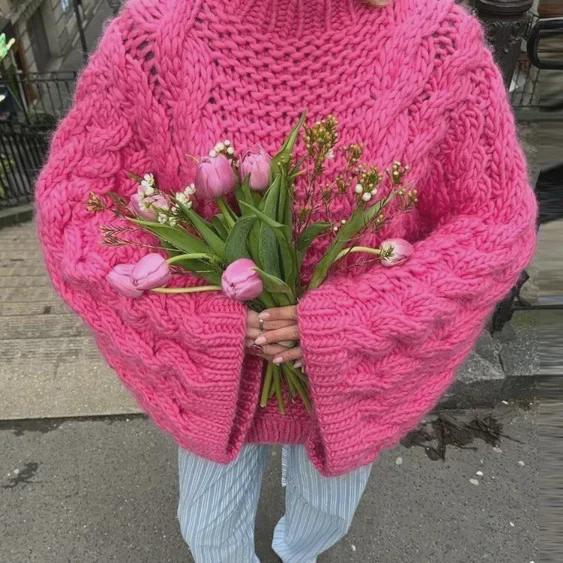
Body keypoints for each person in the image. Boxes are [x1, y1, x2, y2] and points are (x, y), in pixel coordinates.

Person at [34, 0, 538, 560]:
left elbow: (494, 220)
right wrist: (198, 318)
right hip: (213, 372)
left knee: (325, 517)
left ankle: (296, 552)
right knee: (208, 530)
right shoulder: (151, 37)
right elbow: (77, 204)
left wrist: (356, 321)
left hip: (353, 374)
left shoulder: (439, 43)